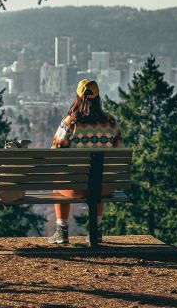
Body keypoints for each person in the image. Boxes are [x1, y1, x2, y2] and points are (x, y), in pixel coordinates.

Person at [48, 79, 124, 245]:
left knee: (57, 181)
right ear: (98, 98)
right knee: (97, 182)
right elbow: (119, 151)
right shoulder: (110, 122)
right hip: (105, 187)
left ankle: (62, 231)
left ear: (77, 97)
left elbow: (55, 152)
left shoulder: (71, 122)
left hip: (76, 188)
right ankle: (95, 231)